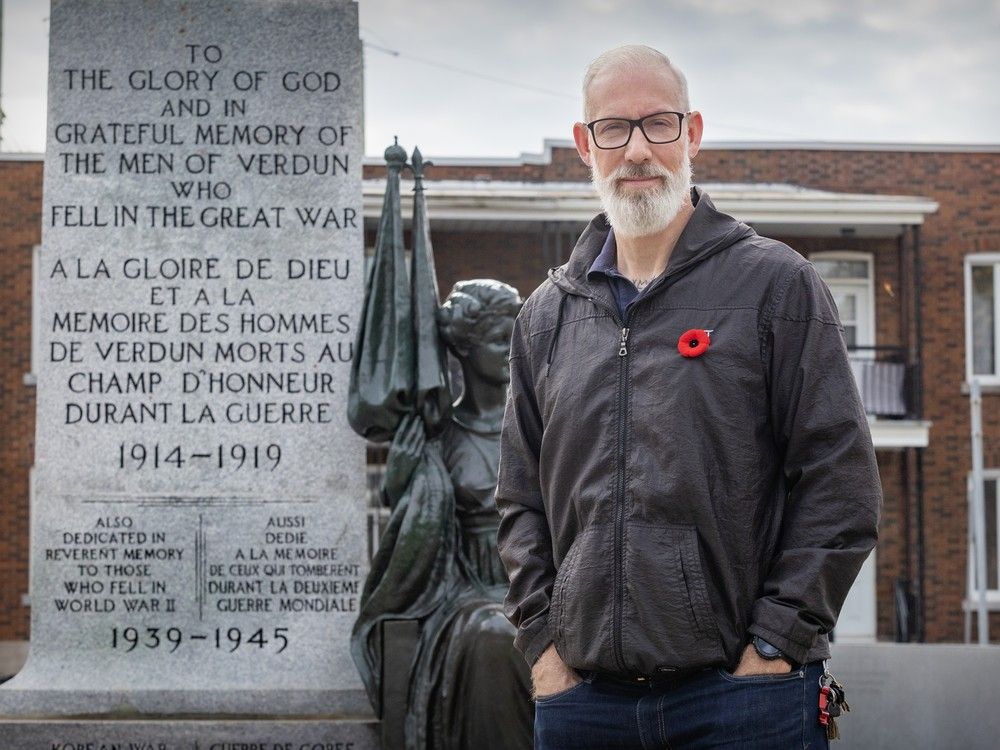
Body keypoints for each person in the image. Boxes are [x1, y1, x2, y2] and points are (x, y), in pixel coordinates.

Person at [495, 45, 881, 749]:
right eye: (614, 128)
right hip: (583, 708)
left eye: (659, 124)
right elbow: (519, 503)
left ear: (693, 133)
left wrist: (775, 649)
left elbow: (841, 485)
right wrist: (544, 654)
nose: (638, 149)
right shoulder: (546, 316)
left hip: (744, 704)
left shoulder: (776, 288)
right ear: (585, 145)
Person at [367, 279, 532, 749]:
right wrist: (403, 479)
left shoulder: (542, 424)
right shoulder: (440, 437)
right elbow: (411, 530)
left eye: (516, 336)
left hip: (546, 580)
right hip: (469, 590)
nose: (512, 350)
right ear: (464, 346)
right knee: (495, 635)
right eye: (500, 340)